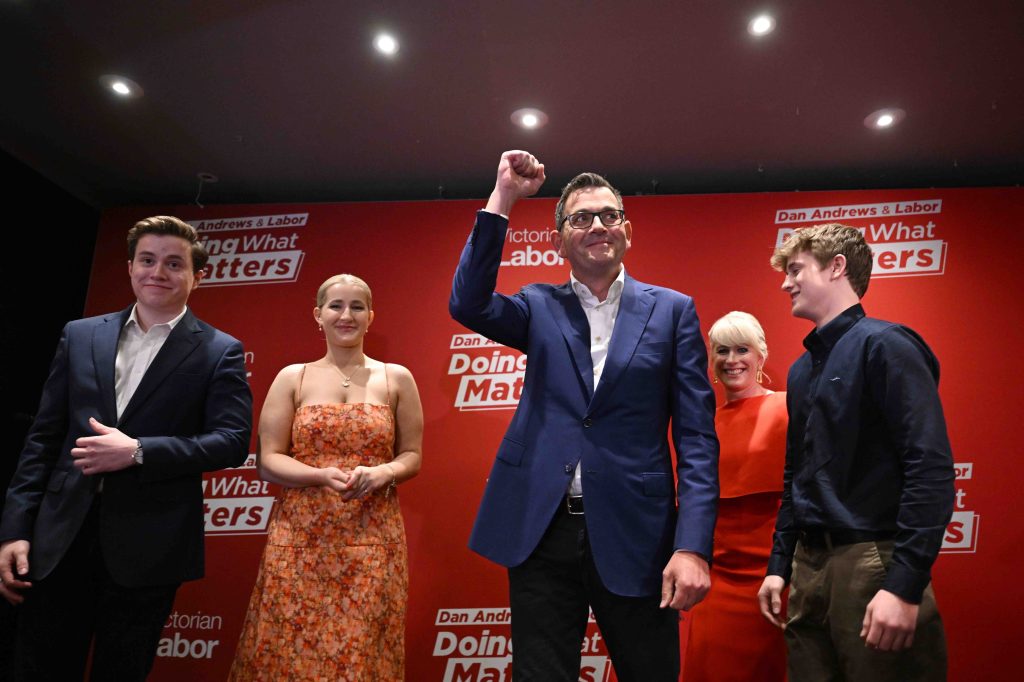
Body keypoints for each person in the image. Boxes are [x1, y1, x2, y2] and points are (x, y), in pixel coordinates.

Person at [449, 150, 718, 681]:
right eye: (580, 218)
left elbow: (696, 441)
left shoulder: (673, 310)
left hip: (637, 533)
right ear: (557, 240)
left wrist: (691, 546)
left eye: (609, 215)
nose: (597, 225)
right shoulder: (537, 305)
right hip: (541, 527)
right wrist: (503, 197)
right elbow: (468, 304)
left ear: (627, 230)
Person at [0, 215, 253, 681]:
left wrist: (138, 450)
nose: (158, 271)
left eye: (174, 263)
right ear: (131, 267)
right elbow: (42, 438)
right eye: (148, 260)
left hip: (150, 544)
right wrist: (15, 529)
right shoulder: (79, 335)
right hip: (60, 537)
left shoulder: (220, 351)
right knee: (39, 667)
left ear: (197, 276)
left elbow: (231, 443)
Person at [757, 223, 955, 680]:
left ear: (837, 267)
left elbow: (930, 467)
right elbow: (796, 476)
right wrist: (779, 565)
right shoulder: (802, 370)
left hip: (872, 560)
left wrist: (903, 586)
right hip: (808, 568)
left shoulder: (887, 346)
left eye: (796, 269)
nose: (786, 282)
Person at [229, 273, 423, 681]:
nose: (346, 315)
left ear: (372, 316)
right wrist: (319, 476)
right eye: (336, 306)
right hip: (299, 541)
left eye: (357, 307)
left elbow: (412, 456)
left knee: (364, 652)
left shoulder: (396, 378)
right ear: (318, 315)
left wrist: (383, 471)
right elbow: (268, 460)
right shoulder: (292, 378)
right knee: (286, 648)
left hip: (373, 541)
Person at [683, 311, 787, 681]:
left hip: (776, 574)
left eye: (742, 349)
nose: (731, 360)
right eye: (721, 351)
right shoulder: (702, 425)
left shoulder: (788, 408)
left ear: (760, 355)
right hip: (718, 579)